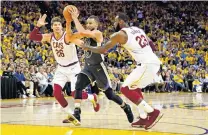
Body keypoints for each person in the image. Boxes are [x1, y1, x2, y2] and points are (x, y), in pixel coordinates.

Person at [79, 12, 163, 130]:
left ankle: (152, 112)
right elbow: (151, 44)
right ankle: (143, 117)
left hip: (147, 64)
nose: (113, 23)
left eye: (115, 21)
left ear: (121, 22)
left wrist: (87, 47)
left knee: (125, 89)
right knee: (135, 88)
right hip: (151, 61)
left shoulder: (119, 34)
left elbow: (103, 49)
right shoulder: (137, 29)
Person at [64, 10, 134, 124]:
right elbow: (70, 37)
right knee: (78, 84)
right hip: (88, 67)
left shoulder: (98, 34)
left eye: (90, 23)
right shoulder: (85, 38)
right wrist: (68, 22)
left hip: (99, 67)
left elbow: (81, 33)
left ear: (96, 25)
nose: (88, 25)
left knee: (110, 95)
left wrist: (75, 18)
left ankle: (125, 107)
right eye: (87, 23)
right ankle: (77, 113)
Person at [29, 14, 97, 126]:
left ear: (62, 26)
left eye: (59, 24)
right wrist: (37, 26)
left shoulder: (68, 36)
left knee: (75, 93)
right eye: (55, 25)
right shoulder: (49, 37)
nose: (57, 26)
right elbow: (32, 37)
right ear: (52, 27)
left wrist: (83, 44)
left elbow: (79, 41)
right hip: (61, 68)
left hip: (74, 67)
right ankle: (71, 114)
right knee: (56, 93)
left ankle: (91, 97)